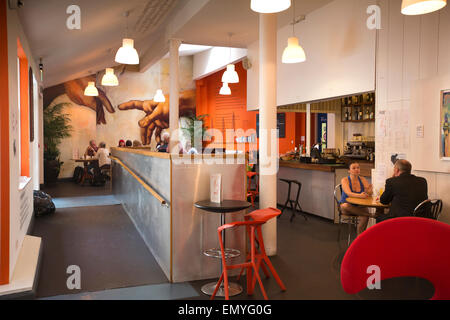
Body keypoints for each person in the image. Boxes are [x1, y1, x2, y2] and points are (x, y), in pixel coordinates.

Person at [339, 162, 374, 235]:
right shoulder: (345, 180)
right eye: (354, 168)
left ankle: (359, 239)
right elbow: (348, 193)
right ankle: (370, 215)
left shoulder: (362, 179)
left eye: (358, 167)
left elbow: (368, 192)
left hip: (358, 206)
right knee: (345, 205)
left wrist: (369, 191)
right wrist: (361, 196)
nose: (357, 169)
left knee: (364, 216)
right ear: (349, 171)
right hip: (347, 206)